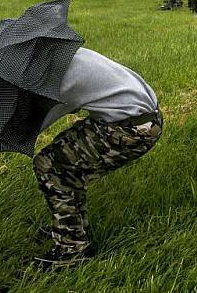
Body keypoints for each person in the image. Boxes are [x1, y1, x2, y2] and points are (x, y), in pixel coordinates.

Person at [33, 47, 164, 267]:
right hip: (141, 117)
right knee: (65, 157)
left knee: (49, 165)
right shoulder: (72, 53)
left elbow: (36, 123)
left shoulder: (63, 75)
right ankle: (71, 227)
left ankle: (71, 250)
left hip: (131, 129)